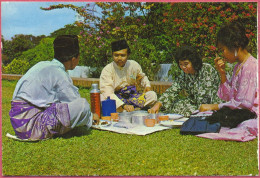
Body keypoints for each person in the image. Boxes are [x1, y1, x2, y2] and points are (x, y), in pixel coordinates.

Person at [9, 35, 99, 141]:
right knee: (83, 105)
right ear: (74, 58)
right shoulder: (59, 73)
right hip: (31, 127)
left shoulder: (41, 65)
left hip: (18, 122)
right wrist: (91, 116)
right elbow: (74, 101)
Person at [199, 22, 258, 114]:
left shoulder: (251, 66)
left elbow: (243, 104)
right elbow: (229, 97)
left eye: (223, 50)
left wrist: (214, 106)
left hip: (251, 116)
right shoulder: (238, 66)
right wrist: (222, 73)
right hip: (240, 114)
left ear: (234, 46)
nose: (222, 54)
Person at [149, 46, 222, 116]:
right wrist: (158, 104)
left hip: (211, 104)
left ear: (193, 62)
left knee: (183, 107)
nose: (183, 67)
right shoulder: (184, 74)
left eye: (186, 64)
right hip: (194, 104)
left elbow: (205, 98)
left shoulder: (207, 70)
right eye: (180, 64)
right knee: (174, 104)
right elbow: (173, 90)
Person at [100, 39, 157, 112]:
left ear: (128, 55)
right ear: (112, 55)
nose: (119, 58)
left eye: (123, 55)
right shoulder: (107, 70)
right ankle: (130, 109)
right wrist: (123, 105)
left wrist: (147, 86)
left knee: (152, 95)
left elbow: (142, 77)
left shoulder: (133, 65)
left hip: (133, 97)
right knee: (102, 98)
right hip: (117, 99)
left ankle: (131, 109)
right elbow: (107, 92)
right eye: (116, 55)